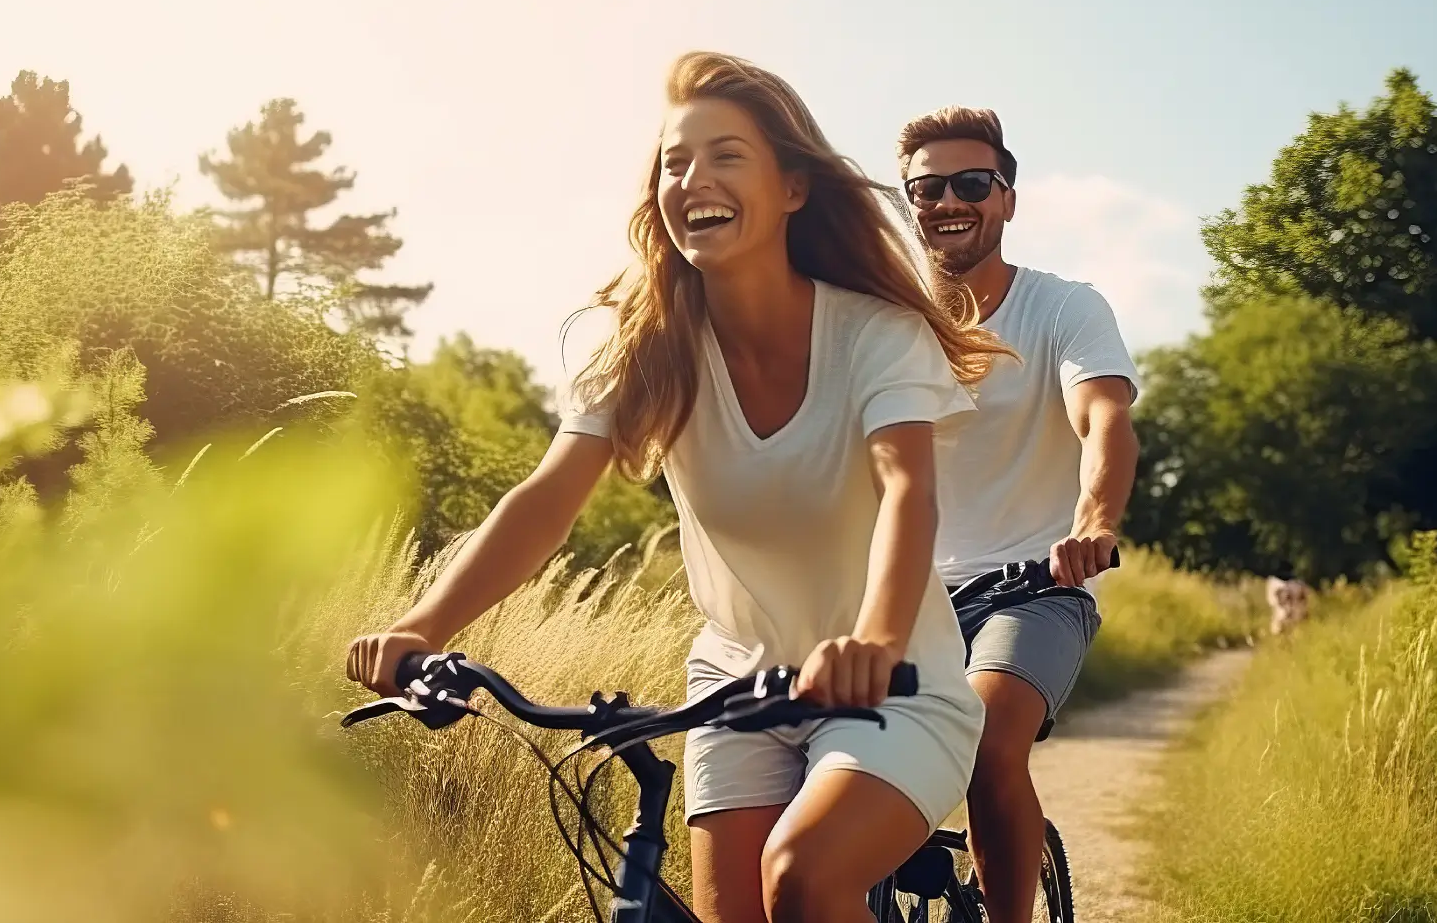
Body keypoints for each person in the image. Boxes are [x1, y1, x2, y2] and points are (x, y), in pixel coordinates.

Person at [349, 53, 1012, 923]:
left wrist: (876, 642)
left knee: (804, 880)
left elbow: (905, 492)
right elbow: (547, 500)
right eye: (675, 162)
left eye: (726, 155)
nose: (693, 178)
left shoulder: (874, 336)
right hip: (735, 684)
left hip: (893, 684)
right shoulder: (645, 348)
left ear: (793, 189)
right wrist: (421, 628)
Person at [894, 107, 1141, 923]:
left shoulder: (1064, 307)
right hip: (903, 599)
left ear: (1006, 199)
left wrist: (1095, 523)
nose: (948, 200)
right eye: (927, 188)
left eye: (972, 183)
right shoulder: (882, 322)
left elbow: (1103, 417)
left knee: (990, 743)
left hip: (1034, 585)